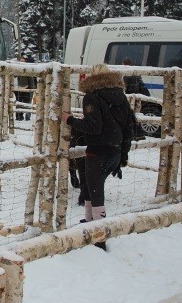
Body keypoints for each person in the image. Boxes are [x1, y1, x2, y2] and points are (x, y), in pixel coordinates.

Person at [62, 63, 135, 251]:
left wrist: (70, 120)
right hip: (115, 150)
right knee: (89, 187)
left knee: (96, 193)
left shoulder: (92, 96)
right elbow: (129, 127)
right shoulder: (121, 96)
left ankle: (100, 236)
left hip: (98, 151)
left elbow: (94, 127)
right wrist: (123, 154)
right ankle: (89, 222)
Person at [15, 55, 36, 121]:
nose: (22, 61)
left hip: (26, 87)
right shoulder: (21, 68)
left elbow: (32, 79)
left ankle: (24, 116)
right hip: (23, 88)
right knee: (23, 102)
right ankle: (21, 116)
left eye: (23, 59)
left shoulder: (25, 67)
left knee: (25, 102)